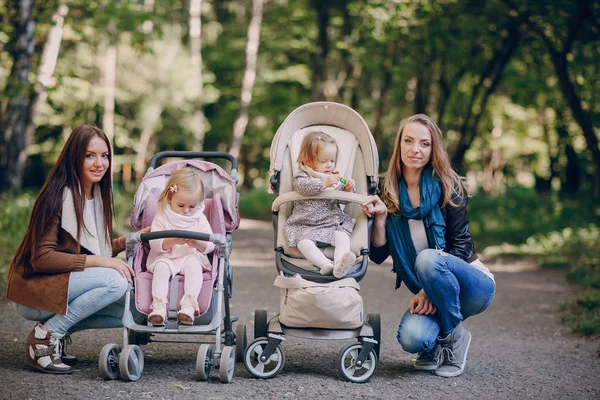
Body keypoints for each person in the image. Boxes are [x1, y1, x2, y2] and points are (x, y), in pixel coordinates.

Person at [361, 114, 496, 377]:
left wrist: (426, 291)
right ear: (399, 144)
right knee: (412, 338)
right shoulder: (384, 188)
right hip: (436, 290)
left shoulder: (449, 185)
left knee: (428, 259)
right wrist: (380, 218)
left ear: (433, 149)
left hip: (473, 286)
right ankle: (438, 342)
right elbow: (377, 254)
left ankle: (453, 339)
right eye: (409, 141)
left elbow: (460, 248)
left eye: (424, 143)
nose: (415, 149)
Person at [7, 125, 148, 374]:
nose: (99, 163)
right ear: (74, 157)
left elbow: (94, 248)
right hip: (36, 287)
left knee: (137, 310)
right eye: (89, 155)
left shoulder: (95, 195)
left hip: (64, 285)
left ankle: (56, 332)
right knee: (117, 282)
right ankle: (45, 336)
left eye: (104, 155)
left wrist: (127, 241)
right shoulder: (56, 196)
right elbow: (41, 258)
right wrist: (105, 263)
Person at [146, 168, 215, 326]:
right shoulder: (162, 216)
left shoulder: (199, 219)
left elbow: (211, 244)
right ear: (170, 198)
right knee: (161, 269)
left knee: (194, 268)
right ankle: (159, 306)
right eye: (181, 205)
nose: (186, 211)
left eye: (192, 206)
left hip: (190, 256)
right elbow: (155, 243)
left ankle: (189, 306)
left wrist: (198, 243)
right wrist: (173, 240)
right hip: (165, 257)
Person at [284, 131, 357, 278]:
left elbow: (342, 200)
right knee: (304, 243)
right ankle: (324, 264)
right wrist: (323, 183)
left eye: (332, 160)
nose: (329, 165)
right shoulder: (302, 176)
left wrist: (348, 189)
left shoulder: (335, 178)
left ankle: (340, 264)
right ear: (307, 159)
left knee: (343, 237)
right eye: (323, 161)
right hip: (306, 224)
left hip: (331, 223)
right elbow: (303, 187)